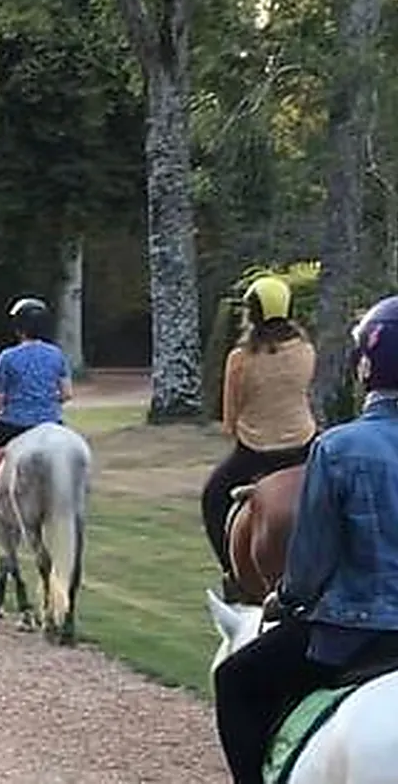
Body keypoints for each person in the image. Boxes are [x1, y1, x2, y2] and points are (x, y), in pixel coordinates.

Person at [213, 295, 398, 784]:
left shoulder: (338, 448)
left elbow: (311, 562)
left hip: (358, 632)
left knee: (235, 682)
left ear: (366, 369)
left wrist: (287, 599)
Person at [201, 275, 317, 599]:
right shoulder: (306, 350)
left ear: (252, 312)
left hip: (256, 450)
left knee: (213, 497)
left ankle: (232, 574)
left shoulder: (240, 358)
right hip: (303, 445)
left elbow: (229, 419)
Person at [0, 297, 73, 528]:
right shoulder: (57, 355)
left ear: (18, 328)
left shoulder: (8, 357)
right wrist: (45, 401)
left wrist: (0, 411)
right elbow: (67, 393)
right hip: (51, 422)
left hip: (14, 423)